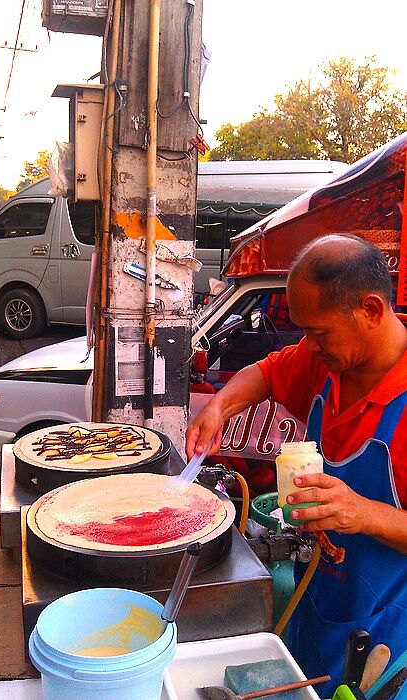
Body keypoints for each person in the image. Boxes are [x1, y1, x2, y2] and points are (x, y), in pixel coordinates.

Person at [186, 234, 407, 696]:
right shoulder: (325, 363)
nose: (308, 344)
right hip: (319, 600)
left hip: (387, 642)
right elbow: (265, 373)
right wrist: (220, 408)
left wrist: (365, 513)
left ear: (370, 310)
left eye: (318, 332)